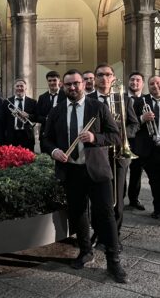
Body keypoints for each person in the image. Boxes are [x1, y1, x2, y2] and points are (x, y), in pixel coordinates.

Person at [43, 69, 127, 283]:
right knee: (78, 213)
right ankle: (85, 251)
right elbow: (46, 140)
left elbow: (116, 136)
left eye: (76, 83)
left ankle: (113, 260)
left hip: (97, 171)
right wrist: (54, 151)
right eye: (68, 84)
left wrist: (94, 137)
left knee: (106, 215)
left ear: (83, 84)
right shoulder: (57, 111)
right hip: (71, 171)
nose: (72, 87)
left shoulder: (97, 107)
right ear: (63, 86)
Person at [87, 63, 139, 247]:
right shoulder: (88, 99)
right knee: (98, 197)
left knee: (118, 197)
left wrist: (123, 134)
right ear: (94, 78)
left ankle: (113, 235)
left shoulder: (124, 99)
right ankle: (98, 233)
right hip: (97, 155)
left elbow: (135, 124)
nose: (104, 78)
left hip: (119, 154)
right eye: (100, 75)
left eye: (108, 74)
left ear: (113, 78)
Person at [133, 75, 160, 219]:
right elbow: (131, 125)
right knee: (154, 181)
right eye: (152, 84)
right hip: (149, 149)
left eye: (157, 83)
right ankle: (158, 209)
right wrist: (142, 118)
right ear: (147, 86)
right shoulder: (140, 102)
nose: (155, 86)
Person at [125, 71, 146, 210]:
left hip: (139, 141)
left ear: (142, 84)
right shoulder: (120, 98)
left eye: (138, 80)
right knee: (121, 170)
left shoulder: (147, 100)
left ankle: (134, 199)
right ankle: (119, 199)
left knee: (136, 172)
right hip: (123, 139)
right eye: (132, 80)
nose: (134, 82)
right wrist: (142, 119)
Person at [2, 78, 37, 151]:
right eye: (17, 86)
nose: (19, 88)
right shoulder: (7, 102)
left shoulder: (33, 102)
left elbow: (37, 117)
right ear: (14, 87)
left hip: (27, 136)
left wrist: (28, 116)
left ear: (26, 88)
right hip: (11, 136)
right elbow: (3, 119)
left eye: (21, 86)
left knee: (28, 160)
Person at [35, 71, 65, 153]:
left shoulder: (65, 95)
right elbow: (37, 116)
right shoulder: (42, 97)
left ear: (59, 81)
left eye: (54, 80)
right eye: (50, 80)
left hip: (62, 134)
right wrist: (47, 119)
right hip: (46, 134)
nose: (52, 82)